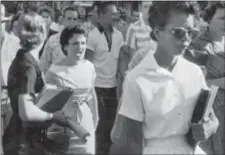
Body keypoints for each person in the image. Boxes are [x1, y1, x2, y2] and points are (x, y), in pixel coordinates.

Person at [110, 2, 219, 154]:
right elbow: (131, 142)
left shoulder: (195, 72)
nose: (186, 39)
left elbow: (212, 119)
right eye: (179, 32)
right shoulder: (137, 79)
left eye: (191, 32)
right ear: (157, 32)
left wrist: (208, 128)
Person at [2, 12, 71, 155]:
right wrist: (53, 116)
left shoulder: (25, 61)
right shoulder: (28, 67)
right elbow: (26, 112)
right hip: (25, 143)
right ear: (42, 34)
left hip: (24, 138)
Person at [44, 26, 98, 155]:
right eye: (75, 43)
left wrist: (95, 118)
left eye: (83, 43)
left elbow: (91, 93)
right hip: (63, 127)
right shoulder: (54, 71)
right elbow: (47, 105)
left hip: (86, 122)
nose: (80, 47)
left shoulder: (89, 67)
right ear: (65, 46)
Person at [185, 2, 225, 154]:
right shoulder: (196, 47)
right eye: (223, 18)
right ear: (209, 19)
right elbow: (188, 84)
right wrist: (217, 83)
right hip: (208, 117)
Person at [86, 2, 124, 154]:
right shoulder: (92, 35)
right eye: (112, 13)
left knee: (111, 126)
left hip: (113, 87)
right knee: (99, 127)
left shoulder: (119, 35)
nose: (115, 16)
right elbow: (88, 63)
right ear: (101, 16)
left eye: (116, 13)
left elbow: (120, 60)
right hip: (97, 87)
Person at [40, 6, 80, 74]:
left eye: (75, 19)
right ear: (63, 20)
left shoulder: (82, 41)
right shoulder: (53, 39)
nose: (72, 22)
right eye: (69, 19)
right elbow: (44, 64)